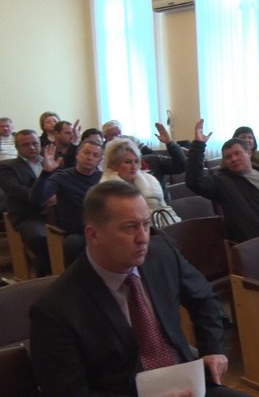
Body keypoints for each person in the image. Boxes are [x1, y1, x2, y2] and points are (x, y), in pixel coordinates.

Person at [30, 181, 247, 396]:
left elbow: (204, 299)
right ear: (93, 235)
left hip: (185, 382)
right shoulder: (56, 309)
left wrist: (212, 350)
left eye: (145, 224)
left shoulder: (161, 254)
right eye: (129, 228)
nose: (143, 238)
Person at [187, 119, 259, 243]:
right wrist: (198, 146)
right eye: (228, 157)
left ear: (249, 153)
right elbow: (194, 182)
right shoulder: (223, 183)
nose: (234, 159)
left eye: (237, 153)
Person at [29, 140, 103, 265]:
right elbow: (36, 200)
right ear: (77, 155)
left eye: (95, 155)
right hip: (77, 232)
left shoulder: (104, 178)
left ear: (100, 160)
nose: (90, 157)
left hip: (102, 229)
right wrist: (46, 173)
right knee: (74, 243)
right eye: (86, 153)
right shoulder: (62, 177)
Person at [0, 129, 51, 275]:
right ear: (17, 147)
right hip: (29, 216)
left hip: (55, 212)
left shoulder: (49, 161)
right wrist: (45, 197)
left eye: (35, 143)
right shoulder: (8, 167)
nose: (32, 147)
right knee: (41, 238)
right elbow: (16, 191)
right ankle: (45, 276)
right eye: (26, 144)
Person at [101, 138, 180, 228]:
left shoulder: (150, 181)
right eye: (128, 162)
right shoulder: (107, 190)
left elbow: (165, 210)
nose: (134, 167)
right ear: (114, 165)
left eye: (136, 161)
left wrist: (173, 230)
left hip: (159, 229)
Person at [141, 122, 186, 198]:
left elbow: (180, 166)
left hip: (162, 203)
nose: (133, 165)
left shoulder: (151, 160)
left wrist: (170, 143)